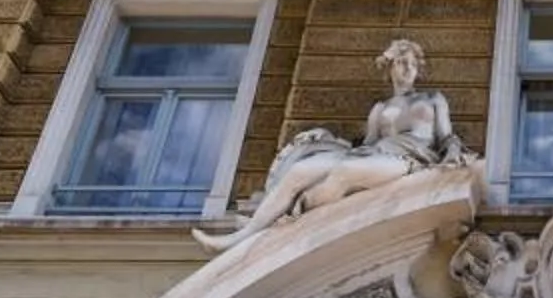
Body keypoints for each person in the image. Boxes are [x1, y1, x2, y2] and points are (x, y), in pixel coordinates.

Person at [193, 37, 469, 249]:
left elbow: (446, 138)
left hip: (408, 162)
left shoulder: (433, 99)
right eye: (401, 62)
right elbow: (369, 143)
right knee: (299, 171)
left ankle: (291, 214)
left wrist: (453, 155)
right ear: (390, 68)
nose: (408, 68)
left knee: (345, 173)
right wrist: (329, 144)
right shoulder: (379, 108)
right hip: (373, 155)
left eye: (412, 63)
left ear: (419, 68)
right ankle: (242, 237)